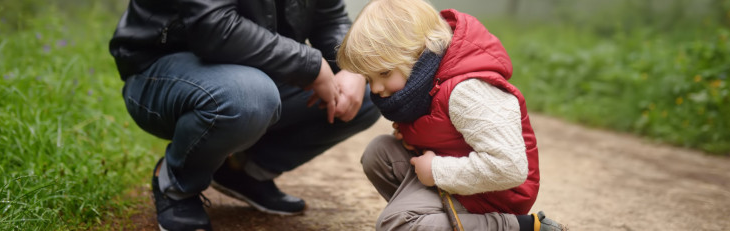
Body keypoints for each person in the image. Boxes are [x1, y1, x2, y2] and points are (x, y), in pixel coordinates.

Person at [109, 0, 381, 230]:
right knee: (249, 97)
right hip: (159, 71)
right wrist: (308, 64)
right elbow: (212, 26)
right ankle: (176, 182)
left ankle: (243, 171)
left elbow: (330, 20)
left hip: (255, 69)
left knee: (366, 94)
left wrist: (350, 66)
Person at [336, 0, 565, 230]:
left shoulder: (468, 91)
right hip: (454, 179)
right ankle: (438, 220)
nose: (375, 89)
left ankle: (519, 226)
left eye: (383, 73)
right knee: (379, 153)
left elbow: (509, 168)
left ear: (419, 52)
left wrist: (436, 171)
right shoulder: (428, 82)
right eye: (369, 79)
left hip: (491, 193)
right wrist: (415, 136)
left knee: (396, 224)